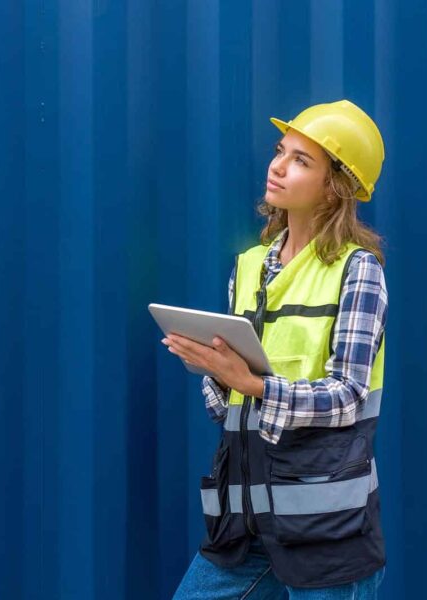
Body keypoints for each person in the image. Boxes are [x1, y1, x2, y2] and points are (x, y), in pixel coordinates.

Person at [163, 99, 389, 599]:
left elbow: (349, 394)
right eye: (280, 151)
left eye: (301, 160)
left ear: (336, 187)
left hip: (327, 531)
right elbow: (229, 406)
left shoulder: (358, 270)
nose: (277, 166)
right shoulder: (247, 266)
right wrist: (216, 372)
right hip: (245, 524)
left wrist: (250, 382)